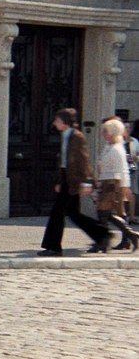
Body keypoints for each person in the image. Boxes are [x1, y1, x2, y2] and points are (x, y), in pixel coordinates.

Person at [38, 108, 110, 256]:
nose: (55, 123)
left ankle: (54, 247)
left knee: (57, 212)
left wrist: (86, 182)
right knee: (73, 213)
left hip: (74, 180)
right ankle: (102, 234)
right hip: (67, 178)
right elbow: (63, 161)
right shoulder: (65, 135)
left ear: (65, 122)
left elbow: (84, 160)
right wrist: (60, 180)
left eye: (57, 120)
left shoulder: (77, 137)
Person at [96, 118, 139, 251]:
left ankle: (105, 241)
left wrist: (125, 187)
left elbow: (123, 169)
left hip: (113, 183)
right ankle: (128, 236)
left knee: (104, 213)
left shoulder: (117, 148)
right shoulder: (108, 147)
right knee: (106, 213)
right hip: (107, 181)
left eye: (106, 131)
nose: (103, 133)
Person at [123, 121, 139, 224]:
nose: (128, 129)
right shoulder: (119, 142)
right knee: (122, 193)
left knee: (132, 193)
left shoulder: (135, 141)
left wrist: (136, 158)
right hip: (122, 169)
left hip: (132, 169)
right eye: (126, 127)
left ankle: (132, 217)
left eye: (129, 128)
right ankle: (122, 215)